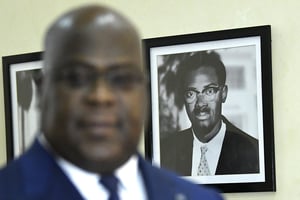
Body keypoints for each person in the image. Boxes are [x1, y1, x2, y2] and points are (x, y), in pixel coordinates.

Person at [0, 5, 223, 200]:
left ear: (144, 93)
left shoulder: (200, 198)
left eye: (122, 79)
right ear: (42, 91)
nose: (101, 96)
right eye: (77, 78)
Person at [161, 51, 259, 176]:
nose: (201, 104)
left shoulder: (254, 152)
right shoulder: (165, 151)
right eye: (191, 94)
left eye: (209, 91)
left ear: (223, 94)